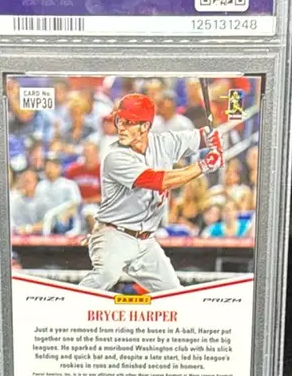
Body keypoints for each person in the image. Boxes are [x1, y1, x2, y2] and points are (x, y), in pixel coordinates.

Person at [79, 93, 224, 292]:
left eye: (128, 122)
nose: (121, 127)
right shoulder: (115, 156)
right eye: (119, 120)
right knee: (106, 275)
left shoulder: (164, 143)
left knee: (173, 293)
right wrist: (204, 165)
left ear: (145, 126)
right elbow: (159, 181)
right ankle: (64, 306)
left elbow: (200, 137)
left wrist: (212, 137)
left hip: (146, 241)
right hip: (113, 235)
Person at [34, 153, 82, 234]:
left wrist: (66, 213)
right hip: (46, 222)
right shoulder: (40, 186)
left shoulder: (69, 184)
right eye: (47, 166)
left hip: (65, 222)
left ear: (59, 168)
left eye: (53, 166)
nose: (49, 169)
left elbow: (76, 204)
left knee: (61, 222)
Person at [10, 169, 42, 234]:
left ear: (36, 183)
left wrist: (28, 229)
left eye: (28, 181)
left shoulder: (42, 201)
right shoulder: (15, 200)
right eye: (23, 181)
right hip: (16, 236)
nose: (25, 184)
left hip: (37, 237)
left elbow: (47, 223)